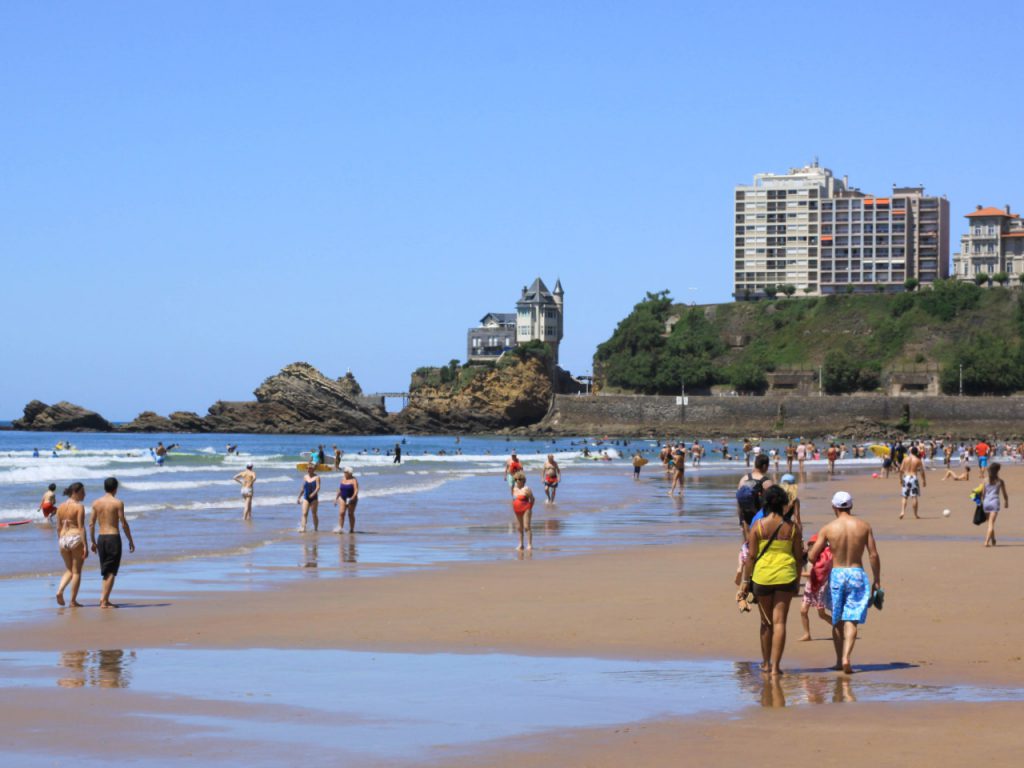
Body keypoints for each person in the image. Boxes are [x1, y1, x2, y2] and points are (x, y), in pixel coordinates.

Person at [806, 491, 881, 674]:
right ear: (851, 506)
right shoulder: (864, 526)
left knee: (837, 619)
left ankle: (840, 661)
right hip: (856, 573)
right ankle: (847, 656)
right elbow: (873, 554)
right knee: (851, 620)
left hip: (838, 574)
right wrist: (877, 580)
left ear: (834, 507)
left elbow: (811, 555)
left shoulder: (829, 528)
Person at [737, 486, 804, 676]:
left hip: (762, 577)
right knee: (780, 622)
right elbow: (798, 558)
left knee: (766, 622)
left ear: (765, 502)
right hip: (786, 576)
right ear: (784, 504)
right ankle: (776, 667)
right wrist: (797, 579)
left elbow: (751, 557)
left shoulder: (757, 526)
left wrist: (745, 581)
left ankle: (766, 663)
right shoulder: (792, 528)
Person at [89, 477, 135, 609]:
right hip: (113, 538)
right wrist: (130, 540)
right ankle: (104, 601)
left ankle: (103, 598)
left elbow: (91, 524)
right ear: (116, 488)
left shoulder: (96, 503)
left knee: (105, 570)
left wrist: (92, 541)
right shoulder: (118, 503)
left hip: (101, 537)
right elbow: (123, 524)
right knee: (111, 571)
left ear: (105, 488)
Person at [54, 482, 88, 607]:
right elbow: (81, 527)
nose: (85, 495)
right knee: (77, 571)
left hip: (63, 538)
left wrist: (60, 540)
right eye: (82, 492)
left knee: (69, 570)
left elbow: (58, 527)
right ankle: (73, 601)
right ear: (75, 492)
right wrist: (85, 545)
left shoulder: (60, 507)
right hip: (75, 537)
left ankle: (60, 590)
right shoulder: (79, 507)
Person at [799, 533, 833, 641]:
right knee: (803, 611)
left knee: (821, 614)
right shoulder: (811, 557)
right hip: (810, 586)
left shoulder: (825, 558)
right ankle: (807, 634)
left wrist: (796, 574)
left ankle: (840, 628)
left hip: (820, 588)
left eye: (813, 545)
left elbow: (812, 574)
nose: (811, 547)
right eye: (811, 545)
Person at [981, 462, 1009, 547]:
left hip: (986, 502)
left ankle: (993, 539)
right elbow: (1004, 493)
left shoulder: (985, 480)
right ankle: (986, 542)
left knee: (989, 523)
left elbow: (983, 493)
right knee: (991, 524)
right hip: (994, 503)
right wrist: (1006, 501)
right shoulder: (1000, 481)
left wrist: (982, 502)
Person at [899, 446, 926, 520]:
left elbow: (901, 470)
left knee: (905, 496)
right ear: (917, 452)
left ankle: (902, 512)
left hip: (906, 477)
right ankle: (915, 514)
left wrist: (900, 479)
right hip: (913, 478)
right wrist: (924, 480)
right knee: (914, 497)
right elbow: (922, 472)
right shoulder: (918, 460)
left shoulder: (905, 459)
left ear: (910, 452)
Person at [511, 471, 535, 551]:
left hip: (526, 509)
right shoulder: (514, 489)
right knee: (519, 528)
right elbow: (514, 499)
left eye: (519, 479)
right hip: (517, 510)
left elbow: (532, 499)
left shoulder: (526, 489)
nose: (518, 481)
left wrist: (530, 508)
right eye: (516, 479)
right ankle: (521, 544)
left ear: (523, 480)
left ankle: (529, 544)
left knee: (526, 526)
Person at [334, 467, 359, 534]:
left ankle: (351, 529)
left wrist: (353, 497)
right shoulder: (342, 479)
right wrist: (336, 498)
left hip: (352, 499)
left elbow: (356, 490)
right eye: (344, 472)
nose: (344, 473)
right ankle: (340, 528)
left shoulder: (354, 480)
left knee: (350, 514)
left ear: (349, 473)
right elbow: (340, 489)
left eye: (345, 472)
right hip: (342, 498)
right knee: (341, 513)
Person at [296, 464, 321, 532]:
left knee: (314, 514)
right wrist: (299, 497)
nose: (308, 469)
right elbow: (303, 487)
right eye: (307, 468)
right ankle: (303, 528)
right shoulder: (305, 477)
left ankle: (316, 529)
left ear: (313, 469)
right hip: (306, 497)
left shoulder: (317, 477)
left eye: (310, 468)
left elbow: (318, 487)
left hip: (314, 498)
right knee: (304, 513)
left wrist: (313, 494)